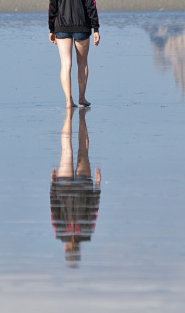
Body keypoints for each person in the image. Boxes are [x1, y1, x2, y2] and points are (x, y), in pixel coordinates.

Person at [48, 0, 100, 108]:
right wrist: (96, 28)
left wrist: (51, 29)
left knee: (66, 64)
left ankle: (68, 100)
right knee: (82, 63)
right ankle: (82, 97)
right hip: (82, 28)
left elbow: (52, 8)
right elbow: (92, 7)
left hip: (62, 27)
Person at [50, 108, 102, 266]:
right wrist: (53, 185)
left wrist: (97, 185)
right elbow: (54, 209)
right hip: (65, 186)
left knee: (82, 151)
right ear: (67, 249)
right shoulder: (60, 233)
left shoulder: (87, 232)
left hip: (83, 186)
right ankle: (72, 118)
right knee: (67, 151)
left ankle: (76, 119)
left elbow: (93, 209)